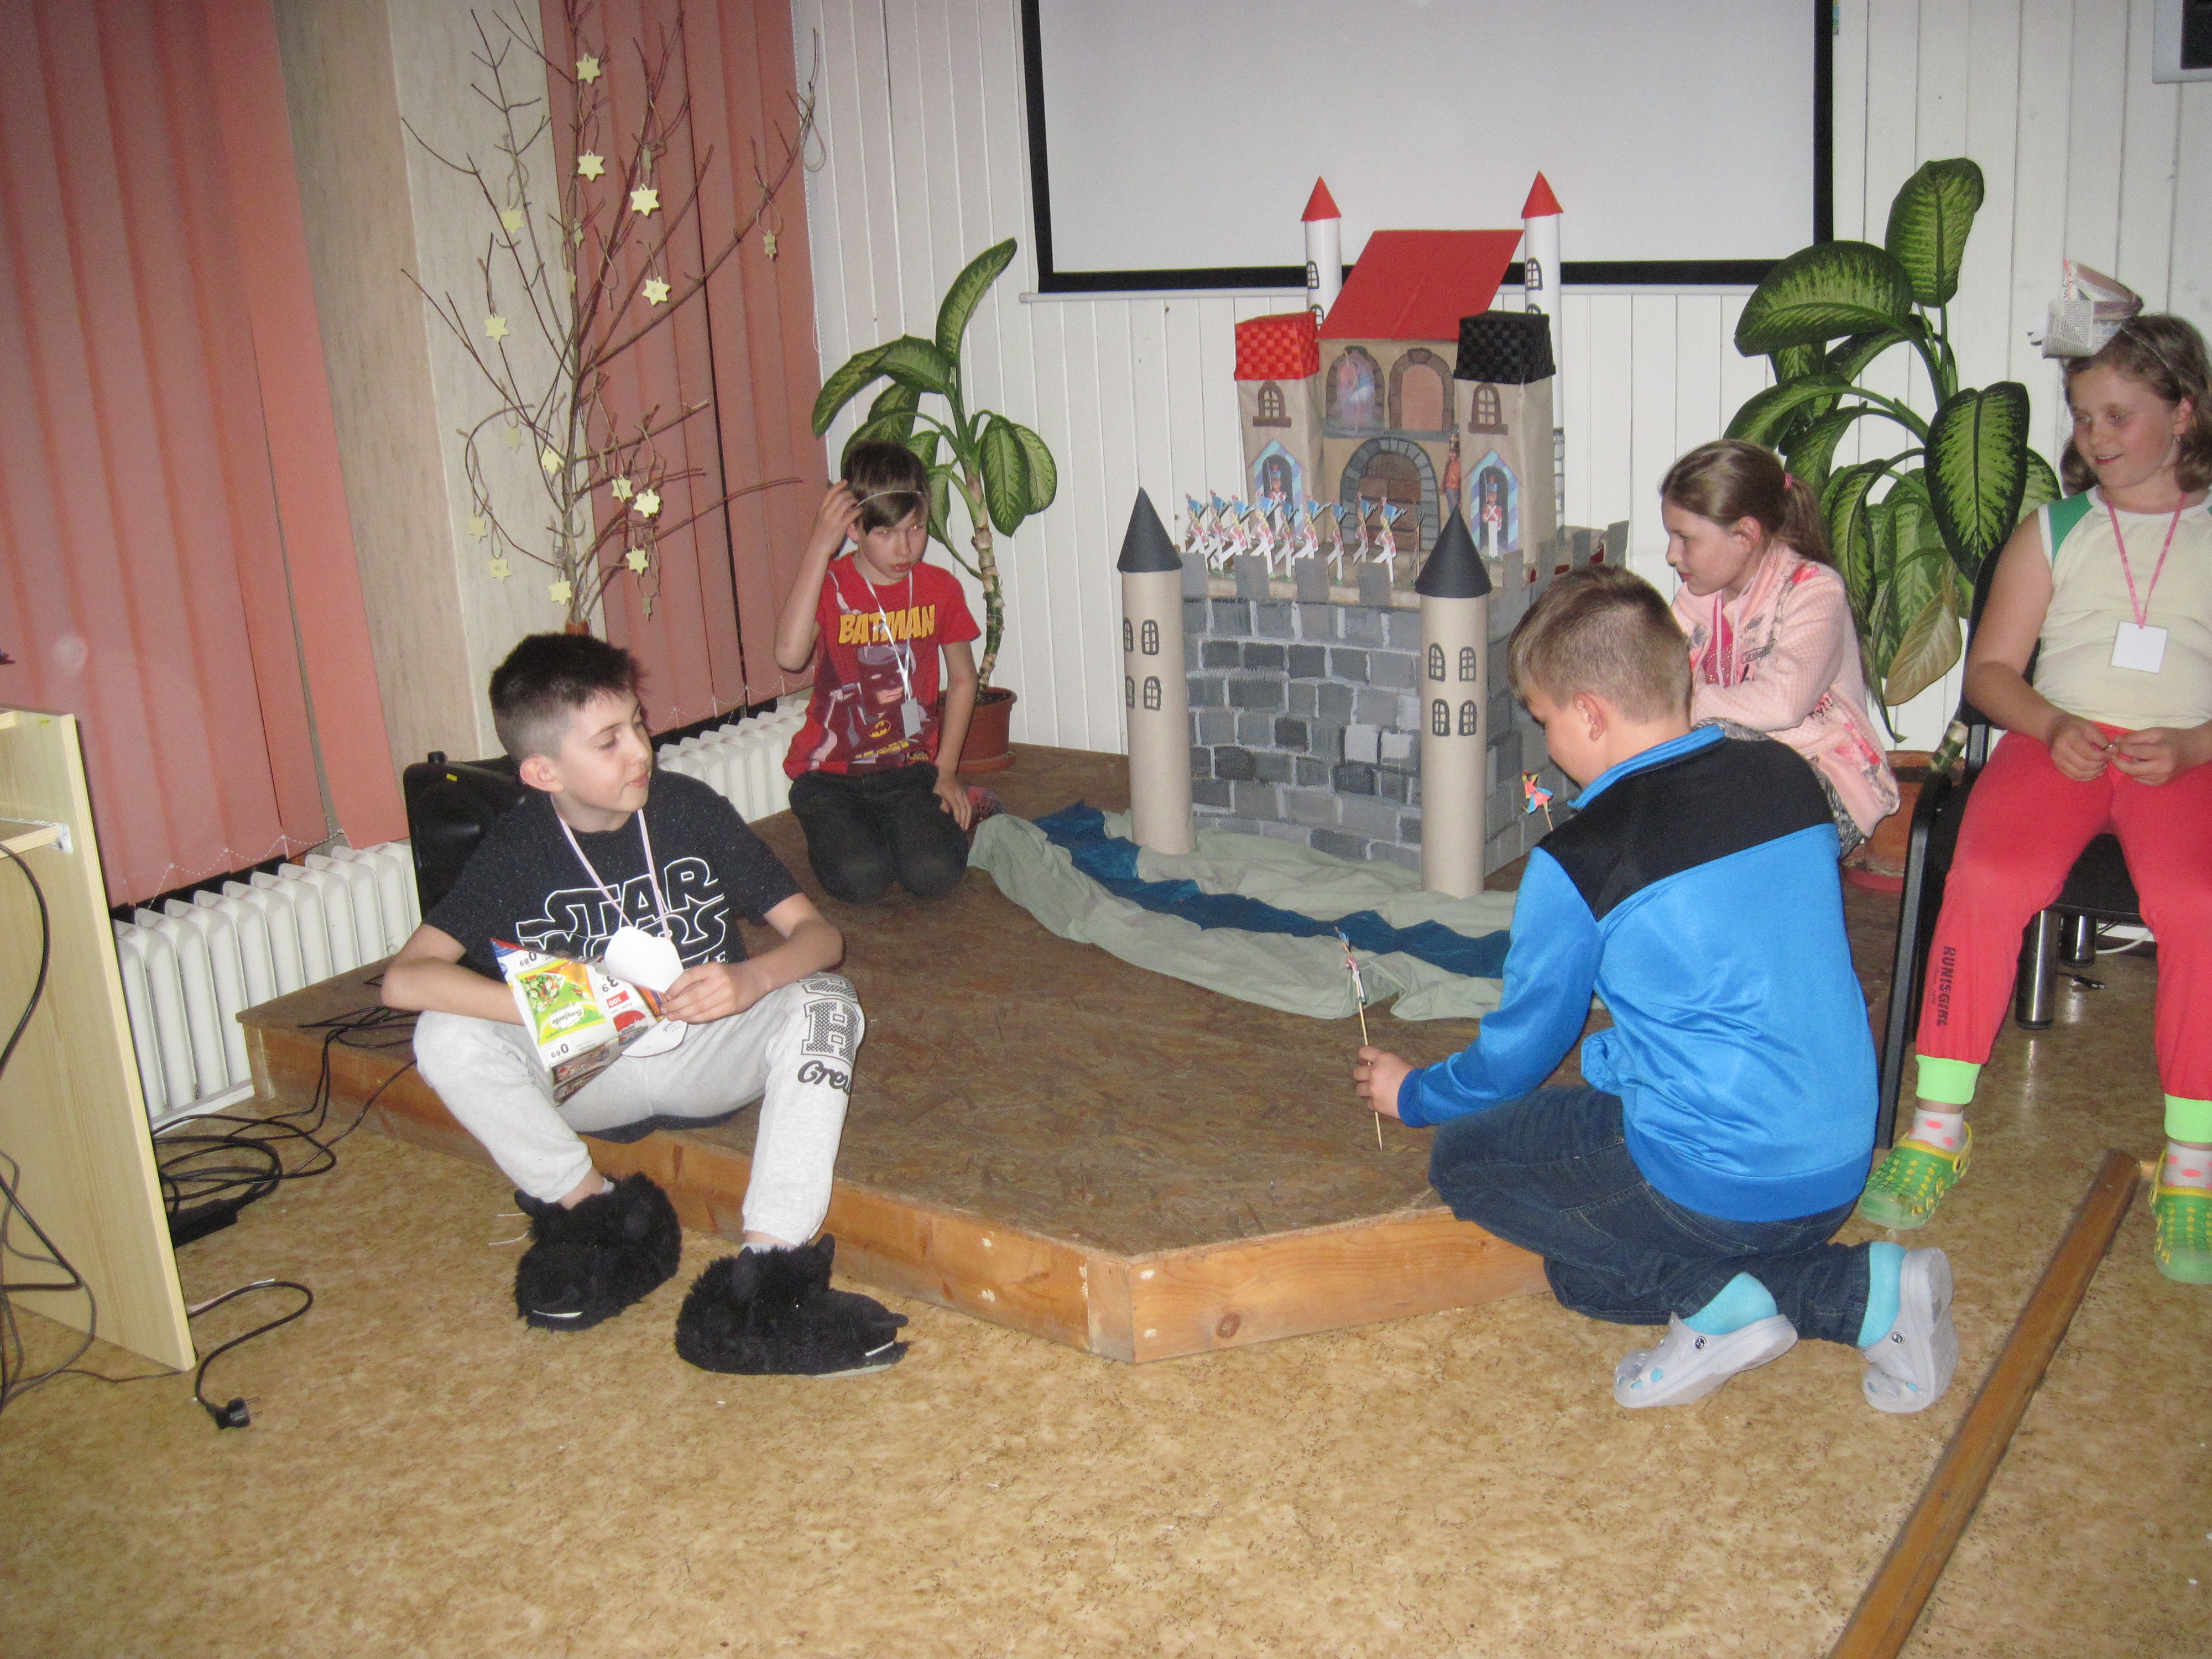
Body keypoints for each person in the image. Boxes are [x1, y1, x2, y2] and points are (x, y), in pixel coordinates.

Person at [1352, 566, 1957, 1412]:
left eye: (1545, 719)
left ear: (1590, 714)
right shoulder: (1786, 777)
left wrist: (1415, 1093)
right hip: (1839, 1161)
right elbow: (1746, 969)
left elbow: (1518, 1058)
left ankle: (1754, 1302)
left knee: (1468, 1159)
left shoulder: (1581, 860)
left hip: (1718, 1187)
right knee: (1583, 1279)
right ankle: (1857, 1293)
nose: (1549, 742)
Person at [383, 633, 907, 1374]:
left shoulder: (688, 810)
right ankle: (601, 1220)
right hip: (591, 1070)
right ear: (543, 771)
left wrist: (752, 980)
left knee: (829, 1001)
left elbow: (820, 939)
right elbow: (406, 979)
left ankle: (768, 1277)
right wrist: (564, 1005)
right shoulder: (519, 847)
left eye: (637, 724)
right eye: (609, 741)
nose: (640, 751)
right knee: (445, 1033)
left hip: (708, 1050)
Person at [1864, 315, 2212, 1282]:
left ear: (2184, 414)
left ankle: (2192, 1164)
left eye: (2119, 415)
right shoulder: (2056, 530)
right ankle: (1938, 1129)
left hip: (2184, 758)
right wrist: (2053, 725)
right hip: (2055, 748)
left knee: (2201, 905)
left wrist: (2192, 745)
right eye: (2083, 416)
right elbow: (1992, 673)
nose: (2095, 436)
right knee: (1986, 878)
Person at [1661, 439, 1898, 854]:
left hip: (1823, 784)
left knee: (1706, 742)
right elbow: (1657, 683)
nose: (1670, 555)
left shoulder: (1815, 590)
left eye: (1685, 538)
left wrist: (1678, 708)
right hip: (1745, 782)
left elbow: (1783, 704)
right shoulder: (1694, 603)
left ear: (1746, 534)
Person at [774, 441, 982, 905]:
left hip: (907, 769)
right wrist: (819, 546)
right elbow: (789, 655)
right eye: (885, 533)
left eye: (916, 529)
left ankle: (898, 827)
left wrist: (946, 771)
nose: (904, 548)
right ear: (854, 527)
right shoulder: (829, 584)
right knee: (861, 881)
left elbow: (963, 678)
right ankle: (842, 827)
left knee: (934, 874)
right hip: (829, 775)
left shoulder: (940, 589)